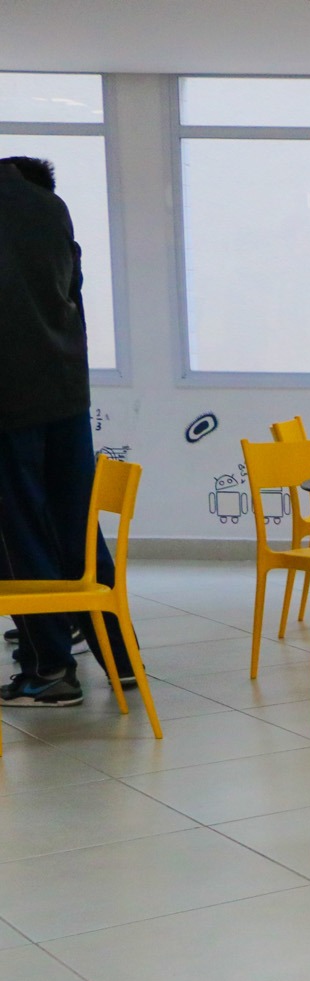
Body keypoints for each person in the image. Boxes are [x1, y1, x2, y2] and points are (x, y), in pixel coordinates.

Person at [0, 155, 137, 706]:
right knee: (78, 527)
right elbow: (72, 288)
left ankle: (51, 666)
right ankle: (120, 657)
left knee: (19, 536)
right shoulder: (50, 209)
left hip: (8, 402)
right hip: (65, 391)